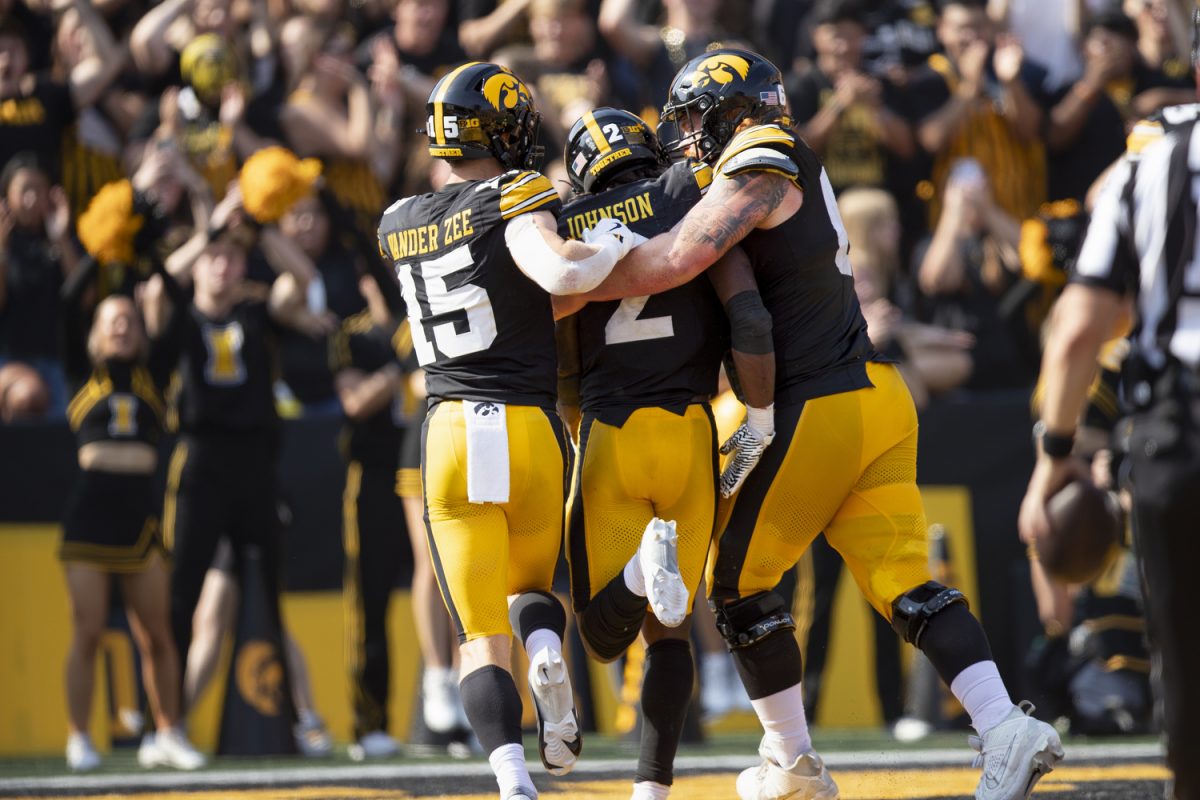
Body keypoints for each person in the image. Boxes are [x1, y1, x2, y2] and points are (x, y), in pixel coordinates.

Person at [578, 48, 1063, 800]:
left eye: (697, 116)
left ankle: (793, 760)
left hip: (819, 400)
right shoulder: (773, 153)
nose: (689, 135)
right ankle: (1004, 727)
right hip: (873, 394)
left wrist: (573, 281)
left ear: (734, 108)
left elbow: (680, 256)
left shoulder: (763, 153)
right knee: (904, 582)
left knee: (736, 584)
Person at [376, 62, 640, 800]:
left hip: (449, 431)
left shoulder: (397, 220)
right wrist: (612, 245)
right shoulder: (518, 191)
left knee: (477, 631)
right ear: (504, 129)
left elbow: (495, 299)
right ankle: (550, 648)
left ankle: (512, 779)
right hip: (528, 422)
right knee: (533, 590)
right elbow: (558, 276)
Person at [555, 107, 774, 800]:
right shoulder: (690, 192)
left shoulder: (563, 227)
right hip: (690, 428)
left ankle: (641, 576)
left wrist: (574, 431)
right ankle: (652, 789)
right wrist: (759, 411)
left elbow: (559, 361)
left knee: (598, 636)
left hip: (611, 433)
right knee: (671, 636)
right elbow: (749, 316)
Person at [1019, 26, 1200, 795]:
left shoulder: (1153, 164)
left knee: (1188, 663)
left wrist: (1052, 459)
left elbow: (1076, 329)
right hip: (1162, 422)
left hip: (1180, 428)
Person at [57, 179, 204, 772]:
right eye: (111, 320)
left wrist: (146, 257)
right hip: (90, 509)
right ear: (95, 335)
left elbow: (179, 304)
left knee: (157, 634)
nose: (120, 326)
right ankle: (78, 736)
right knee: (87, 632)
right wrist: (104, 246)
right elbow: (70, 301)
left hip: (140, 511)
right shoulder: (80, 374)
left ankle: (167, 732)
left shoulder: (154, 373)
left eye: (128, 320)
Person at [331, 274, 411, 758]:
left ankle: (455, 716)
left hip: (429, 469)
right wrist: (403, 365)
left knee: (452, 600)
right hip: (375, 479)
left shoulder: (427, 312)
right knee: (370, 604)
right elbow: (355, 401)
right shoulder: (354, 333)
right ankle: (370, 721)